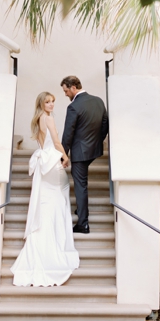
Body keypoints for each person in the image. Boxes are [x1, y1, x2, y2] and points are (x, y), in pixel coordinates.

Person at [12, 89, 79, 288]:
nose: (51, 105)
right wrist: (66, 157)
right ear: (42, 103)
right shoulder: (47, 118)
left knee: (50, 199)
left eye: (52, 102)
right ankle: (55, 239)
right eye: (48, 102)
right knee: (59, 196)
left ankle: (48, 235)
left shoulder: (37, 118)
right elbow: (56, 142)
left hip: (44, 162)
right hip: (52, 161)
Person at [60, 74, 108, 235]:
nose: (65, 94)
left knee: (80, 186)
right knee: (82, 183)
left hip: (80, 153)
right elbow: (105, 124)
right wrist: (97, 142)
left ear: (73, 88)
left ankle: (83, 224)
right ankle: (81, 210)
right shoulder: (98, 101)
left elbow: (68, 134)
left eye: (66, 91)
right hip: (93, 150)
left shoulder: (73, 107)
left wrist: (63, 155)